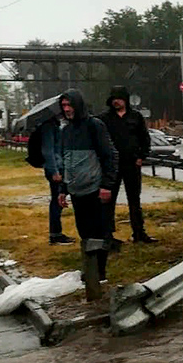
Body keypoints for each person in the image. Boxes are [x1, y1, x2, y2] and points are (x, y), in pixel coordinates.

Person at [56, 89, 118, 284]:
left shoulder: (94, 126)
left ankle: (99, 271)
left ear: (78, 104)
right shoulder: (66, 130)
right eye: (64, 106)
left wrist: (107, 185)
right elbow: (66, 161)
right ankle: (90, 269)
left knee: (100, 231)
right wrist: (63, 189)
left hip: (96, 188)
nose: (67, 109)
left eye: (69, 105)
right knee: (84, 232)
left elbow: (110, 155)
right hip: (76, 189)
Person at [100, 85, 156, 244]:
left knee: (134, 200)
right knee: (108, 200)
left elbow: (144, 138)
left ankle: (139, 232)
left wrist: (141, 156)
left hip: (132, 163)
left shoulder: (136, 117)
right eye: (113, 99)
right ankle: (107, 235)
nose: (116, 102)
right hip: (112, 165)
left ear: (125, 99)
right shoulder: (104, 118)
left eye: (119, 99)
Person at [40, 115, 74, 245]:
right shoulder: (48, 126)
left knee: (58, 200)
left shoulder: (55, 125)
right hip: (55, 169)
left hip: (59, 166)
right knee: (56, 200)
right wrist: (54, 171)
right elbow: (48, 151)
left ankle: (57, 233)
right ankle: (55, 235)